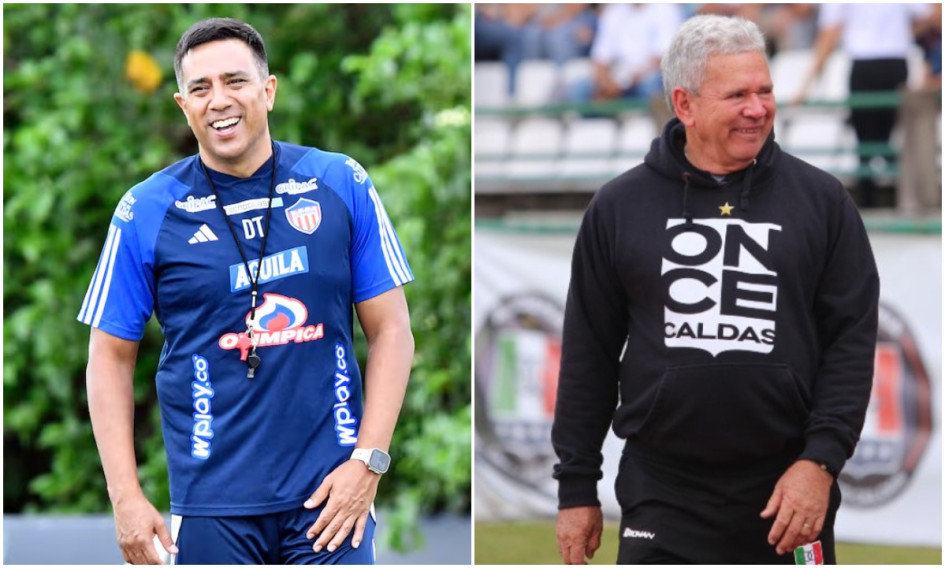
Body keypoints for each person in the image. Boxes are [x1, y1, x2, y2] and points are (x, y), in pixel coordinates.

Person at [78, 18, 414, 565]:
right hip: (212, 507)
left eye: (235, 81)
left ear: (269, 90)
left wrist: (368, 462)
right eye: (200, 88)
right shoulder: (146, 209)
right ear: (182, 105)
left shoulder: (339, 182)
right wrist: (125, 497)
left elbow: (394, 331)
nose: (219, 101)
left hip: (331, 502)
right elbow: (109, 357)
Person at [553, 15, 878, 564]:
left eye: (765, 91)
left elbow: (851, 344)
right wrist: (576, 488)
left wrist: (820, 462)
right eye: (738, 95)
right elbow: (588, 354)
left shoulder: (824, 202)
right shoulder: (618, 207)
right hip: (661, 492)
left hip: (788, 491)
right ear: (685, 105)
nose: (758, 108)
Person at [793, 4, 933, 208]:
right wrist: (901, 33)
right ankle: (903, 199)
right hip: (896, 64)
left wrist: (806, 86)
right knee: (887, 139)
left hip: (864, 66)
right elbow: (930, 14)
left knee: (866, 142)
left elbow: (828, 35)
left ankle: (870, 203)